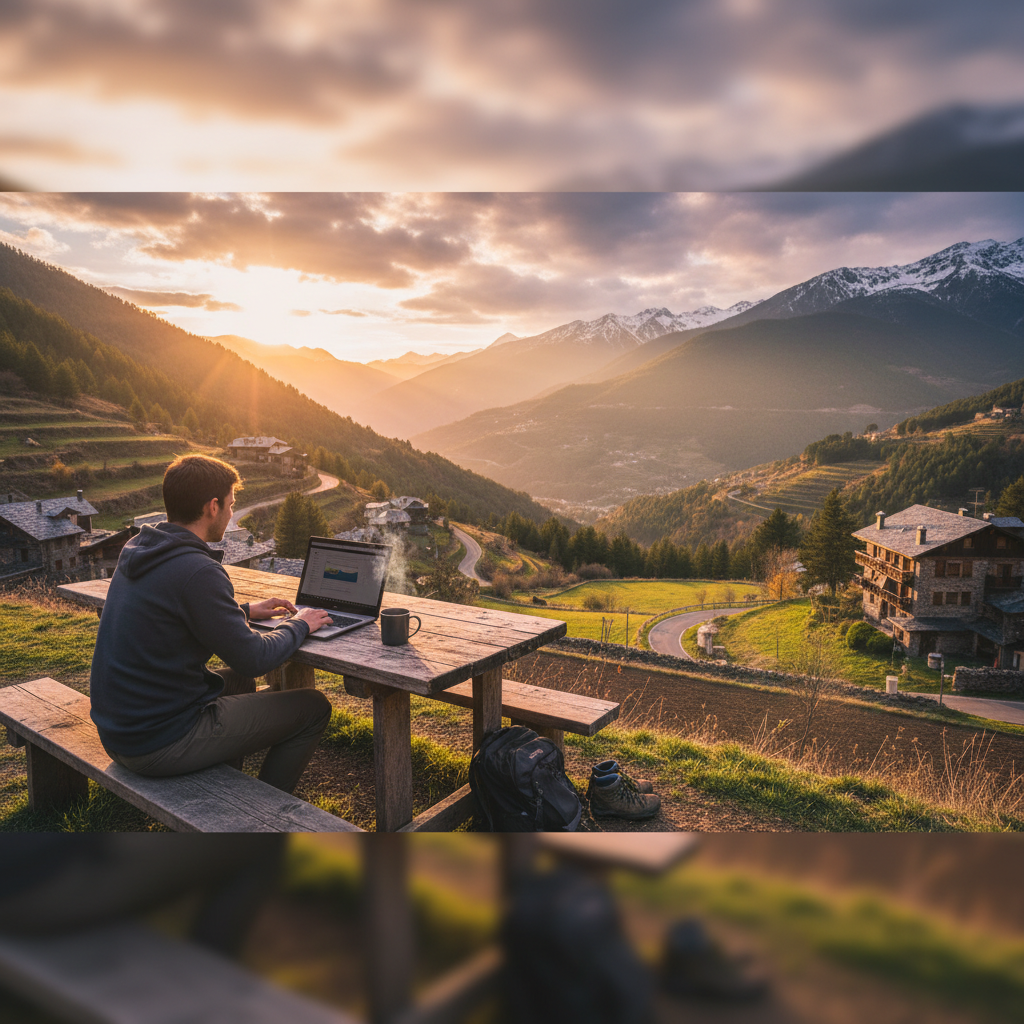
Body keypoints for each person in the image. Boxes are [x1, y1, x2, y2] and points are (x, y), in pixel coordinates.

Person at [90, 454, 333, 793]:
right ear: (213, 506)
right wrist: (302, 624)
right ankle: (265, 815)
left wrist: (245, 610)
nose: (233, 514)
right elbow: (255, 658)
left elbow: (177, 609)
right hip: (156, 743)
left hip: (120, 729)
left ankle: (226, 777)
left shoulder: (142, 548)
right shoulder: (198, 570)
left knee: (239, 683)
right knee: (313, 706)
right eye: (232, 505)